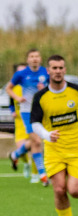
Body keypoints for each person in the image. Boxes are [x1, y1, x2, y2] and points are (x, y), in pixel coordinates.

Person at [30, 55, 78, 216]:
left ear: (65, 69)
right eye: (54, 68)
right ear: (48, 71)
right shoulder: (41, 97)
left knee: (75, 191)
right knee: (59, 189)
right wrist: (47, 135)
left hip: (77, 149)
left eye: (61, 68)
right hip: (54, 151)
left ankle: (71, 175)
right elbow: (35, 123)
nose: (58, 71)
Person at [6, 49, 50, 186]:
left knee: (36, 142)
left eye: (37, 56)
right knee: (36, 140)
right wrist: (18, 98)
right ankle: (42, 175)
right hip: (27, 112)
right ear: (28, 60)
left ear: (40, 59)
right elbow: (9, 88)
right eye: (32, 56)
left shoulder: (45, 72)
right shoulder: (21, 74)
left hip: (42, 111)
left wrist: (44, 88)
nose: (34, 59)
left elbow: (52, 88)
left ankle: (15, 154)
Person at [7, 63, 36, 180]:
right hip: (19, 123)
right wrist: (13, 111)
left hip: (32, 122)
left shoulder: (32, 87)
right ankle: (26, 163)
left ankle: (36, 175)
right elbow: (10, 102)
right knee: (22, 149)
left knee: (35, 145)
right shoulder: (13, 88)